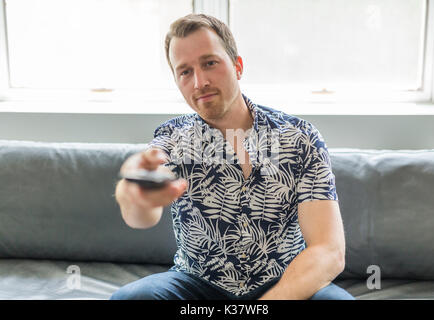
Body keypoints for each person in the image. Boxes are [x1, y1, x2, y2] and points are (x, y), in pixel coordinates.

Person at [110, 13, 355, 300]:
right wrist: (132, 192)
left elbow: (329, 250)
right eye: (185, 71)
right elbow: (142, 215)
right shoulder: (171, 138)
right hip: (196, 284)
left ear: (237, 66)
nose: (199, 82)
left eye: (209, 63)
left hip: (286, 284)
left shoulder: (300, 137)